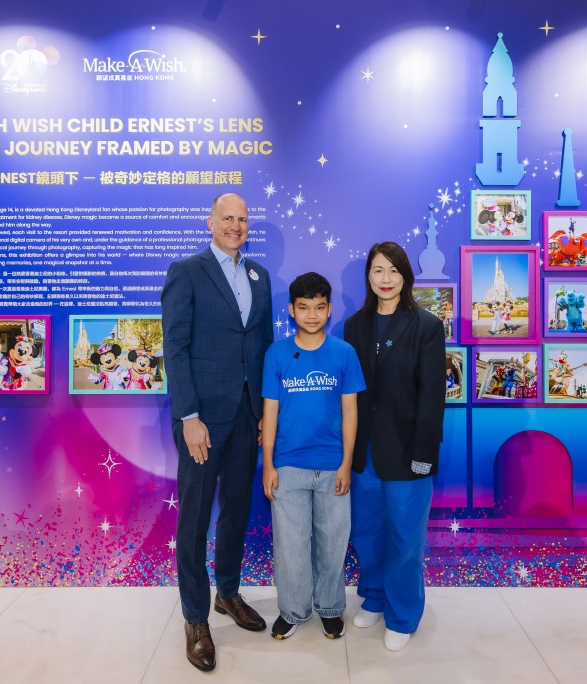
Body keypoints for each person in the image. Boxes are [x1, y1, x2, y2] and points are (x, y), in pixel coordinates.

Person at [161, 192, 273, 672]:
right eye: (227, 217)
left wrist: (268, 412)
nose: (235, 225)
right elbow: (176, 347)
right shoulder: (186, 271)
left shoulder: (259, 275)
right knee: (195, 517)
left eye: (243, 219)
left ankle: (227, 592)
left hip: (248, 417)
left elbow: (264, 345)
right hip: (202, 421)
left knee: (236, 512)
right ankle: (194, 617)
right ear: (210, 221)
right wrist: (189, 417)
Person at [343, 241, 446, 652]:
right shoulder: (354, 326)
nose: (385, 280)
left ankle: (403, 614)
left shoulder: (426, 325)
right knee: (367, 532)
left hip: (407, 452)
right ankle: (374, 596)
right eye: (377, 271)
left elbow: (432, 395)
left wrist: (424, 454)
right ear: (368, 276)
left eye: (393, 271)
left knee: (405, 539)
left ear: (405, 276)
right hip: (364, 451)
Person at [260, 272, 365, 641]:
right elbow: (269, 411)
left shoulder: (344, 353)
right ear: (291, 310)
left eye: (320, 307)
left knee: (333, 543)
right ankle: (292, 610)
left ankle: (331, 608)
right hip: (288, 466)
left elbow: (351, 412)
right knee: (290, 546)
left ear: (329, 309)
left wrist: (346, 463)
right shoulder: (276, 354)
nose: (312, 315)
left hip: (333, 465)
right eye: (303, 308)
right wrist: (269, 464)